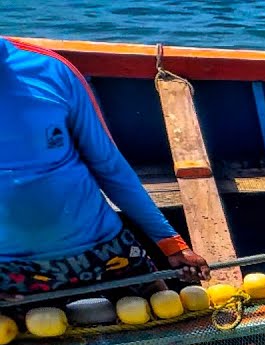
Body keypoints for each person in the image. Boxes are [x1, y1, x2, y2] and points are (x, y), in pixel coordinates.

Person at [0, 37, 209, 300]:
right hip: (7, 273)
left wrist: (170, 243)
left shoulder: (51, 69)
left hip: (103, 251)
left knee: (165, 317)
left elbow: (108, 165)